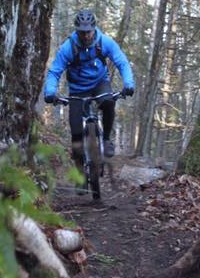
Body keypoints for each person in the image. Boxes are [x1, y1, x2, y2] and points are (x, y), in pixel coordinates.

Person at [43, 9, 135, 175]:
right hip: (78, 89)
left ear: (94, 28)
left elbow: (122, 62)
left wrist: (128, 83)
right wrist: (50, 92)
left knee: (108, 102)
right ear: (77, 31)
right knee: (76, 133)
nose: (86, 36)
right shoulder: (68, 47)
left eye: (89, 32)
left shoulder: (104, 42)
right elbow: (55, 71)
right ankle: (79, 173)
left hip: (100, 83)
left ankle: (106, 139)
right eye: (82, 32)